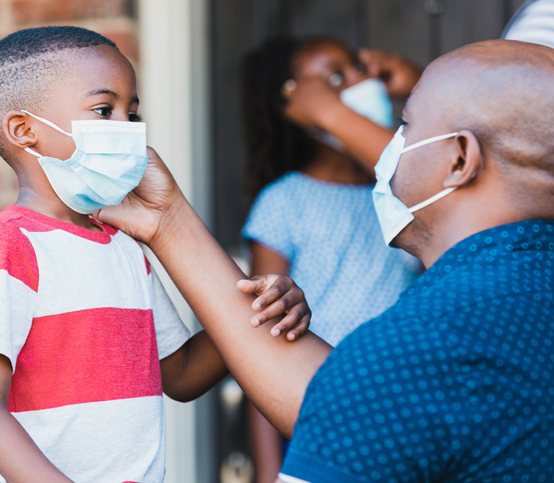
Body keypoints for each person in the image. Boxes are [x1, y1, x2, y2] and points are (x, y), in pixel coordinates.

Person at [95, 39, 554, 482]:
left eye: (405, 126)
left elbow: (385, 388)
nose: (391, 142)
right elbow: (368, 408)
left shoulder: (419, 347)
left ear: (459, 159)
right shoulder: (508, 310)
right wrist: (168, 222)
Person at [0, 26, 311, 483]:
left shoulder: (123, 244)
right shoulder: (8, 245)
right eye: (104, 110)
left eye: (132, 111)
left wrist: (264, 313)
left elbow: (182, 374)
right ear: (24, 131)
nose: (127, 128)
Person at [240, 37, 420, 482]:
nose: (361, 81)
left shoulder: (407, 193)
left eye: (358, 67)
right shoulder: (282, 202)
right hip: (311, 408)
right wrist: (267, 468)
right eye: (336, 78)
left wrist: (416, 87)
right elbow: (259, 341)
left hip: (405, 406)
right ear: (297, 105)